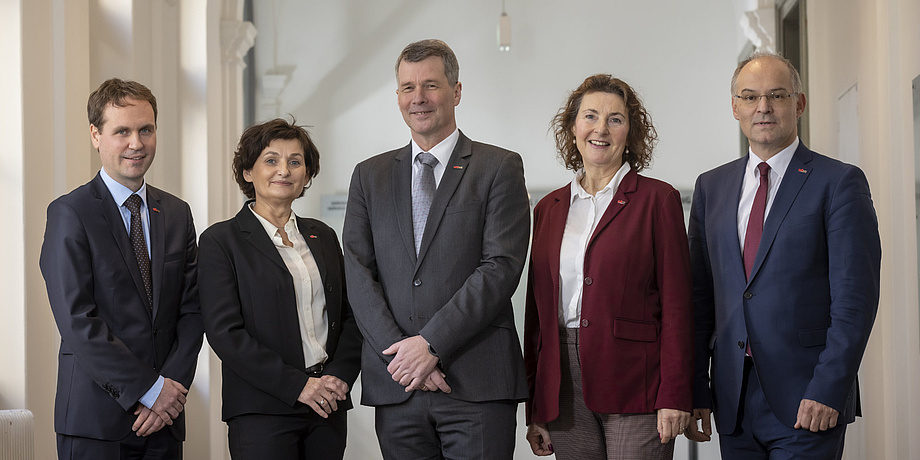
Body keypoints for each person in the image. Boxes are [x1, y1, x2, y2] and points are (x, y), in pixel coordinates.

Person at [685, 52, 881, 459]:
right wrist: (696, 388)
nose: (763, 107)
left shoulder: (839, 183)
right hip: (733, 399)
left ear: (799, 103)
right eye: (750, 96)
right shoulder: (711, 187)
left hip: (808, 398)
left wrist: (829, 388)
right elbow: (701, 299)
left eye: (776, 95)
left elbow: (854, 302)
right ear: (734, 106)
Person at [342, 38, 530, 459]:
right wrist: (403, 358)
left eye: (430, 85)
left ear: (457, 91)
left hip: (475, 383)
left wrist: (430, 344)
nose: (419, 98)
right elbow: (357, 271)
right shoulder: (369, 176)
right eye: (408, 88)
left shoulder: (498, 167)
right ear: (397, 97)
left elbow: (500, 267)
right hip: (398, 387)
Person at [523, 74, 694, 459]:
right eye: (590, 116)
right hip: (563, 385)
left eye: (615, 119)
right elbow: (537, 316)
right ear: (572, 127)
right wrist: (536, 406)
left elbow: (679, 307)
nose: (601, 128)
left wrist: (676, 394)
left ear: (630, 132)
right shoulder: (547, 209)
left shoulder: (658, 200)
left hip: (637, 381)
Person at [39, 78, 203, 459]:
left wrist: (170, 391)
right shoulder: (70, 213)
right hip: (96, 423)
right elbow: (77, 319)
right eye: (122, 131)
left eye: (146, 129)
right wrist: (149, 390)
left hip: (164, 421)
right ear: (96, 135)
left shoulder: (177, 213)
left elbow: (193, 310)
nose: (136, 143)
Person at [197, 118, 362, 459]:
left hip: (327, 405)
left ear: (306, 175)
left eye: (295, 161)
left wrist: (340, 377)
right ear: (247, 172)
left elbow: (350, 315)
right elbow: (225, 333)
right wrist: (298, 385)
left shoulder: (323, 236)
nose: (283, 170)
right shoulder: (220, 241)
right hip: (262, 410)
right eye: (271, 160)